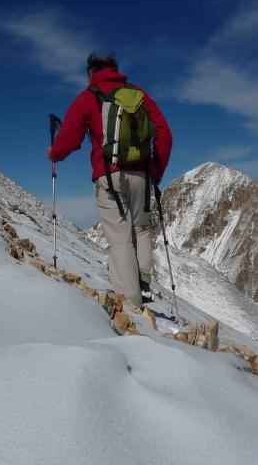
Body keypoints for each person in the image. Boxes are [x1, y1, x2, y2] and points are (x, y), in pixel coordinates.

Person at [48, 53, 172, 307]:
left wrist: (54, 154)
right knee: (141, 229)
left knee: (120, 238)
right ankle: (143, 284)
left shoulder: (89, 96)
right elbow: (164, 135)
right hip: (142, 175)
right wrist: (155, 172)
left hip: (109, 175)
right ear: (116, 70)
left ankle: (131, 306)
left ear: (91, 72)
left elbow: (70, 138)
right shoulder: (139, 95)